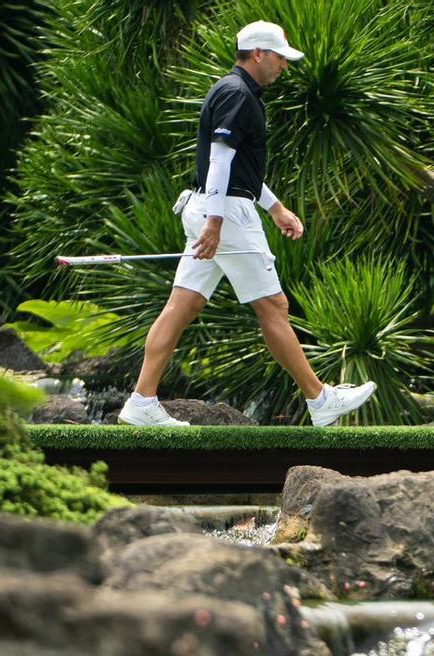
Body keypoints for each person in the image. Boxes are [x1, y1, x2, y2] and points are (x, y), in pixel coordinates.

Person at [117, 21, 376, 427]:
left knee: (183, 305)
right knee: (273, 306)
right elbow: (220, 161)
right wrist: (217, 222)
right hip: (226, 215)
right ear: (258, 54)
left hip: (210, 207)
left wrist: (275, 208)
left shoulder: (235, 92)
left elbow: (240, 167)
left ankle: (141, 401)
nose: (283, 67)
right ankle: (320, 399)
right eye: (279, 58)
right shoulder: (238, 95)